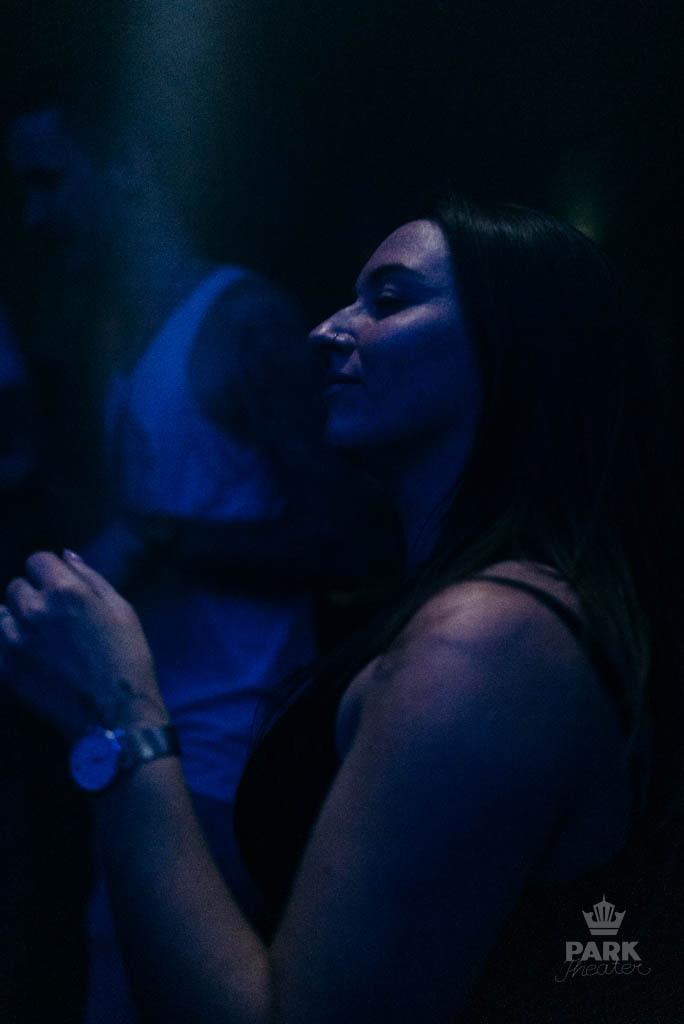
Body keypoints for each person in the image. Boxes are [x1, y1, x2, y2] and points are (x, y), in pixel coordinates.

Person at [0, 197, 679, 1023]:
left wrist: (118, 714)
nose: (324, 330)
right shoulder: (477, 610)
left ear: (519, 348)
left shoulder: (488, 642)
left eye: (387, 301)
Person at [7, 88, 396, 1023]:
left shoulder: (242, 318)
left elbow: (347, 541)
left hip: (225, 757)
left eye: (49, 181)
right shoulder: (116, 327)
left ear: (130, 168)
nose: (33, 215)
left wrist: (160, 537)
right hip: (136, 735)